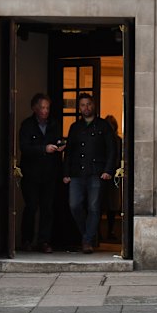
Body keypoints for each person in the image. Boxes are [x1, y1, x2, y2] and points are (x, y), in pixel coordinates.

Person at [63, 93, 116, 254]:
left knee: (94, 207)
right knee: (74, 205)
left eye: (88, 104)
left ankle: (86, 241)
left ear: (94, 105)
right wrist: (66, 173)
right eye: (83, 105)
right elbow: (69, 152)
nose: (86, 108)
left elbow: (112, 150)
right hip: (77, 173)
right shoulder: (75, 127)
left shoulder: (103, 126)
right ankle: (88, 234)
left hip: (96, 172)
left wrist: (108, 170)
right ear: (79, 108)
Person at [18, 93, 65, 253]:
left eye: (47, 108)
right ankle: (26, 240)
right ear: (34, 108)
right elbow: (24, 147)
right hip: (31, 174)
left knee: (47, 208)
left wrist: (60, 146)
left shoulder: (54, 124)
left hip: (50, 173)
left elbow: (59, 140)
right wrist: (43, 149)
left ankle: (44, 241)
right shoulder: (27, 125)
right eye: (42, 108)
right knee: (31, 207)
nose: (45, 111)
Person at [103, 115, 122, 241]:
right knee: (106, 205)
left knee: (110, 205)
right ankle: (109, 231)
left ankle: (108, 231)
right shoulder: (116, 139)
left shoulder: (117, 140)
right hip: (108, 174)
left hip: (112, 174)